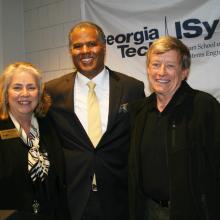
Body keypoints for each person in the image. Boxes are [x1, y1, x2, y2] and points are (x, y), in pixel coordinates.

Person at [46, 21, 145, 220]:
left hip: (119, 196)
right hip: (72, 198)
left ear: (104, 46)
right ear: (70, 51)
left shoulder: (131, 88)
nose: (85, 51)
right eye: (77, 46)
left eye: (91, 44)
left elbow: (139, 140)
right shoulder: (52, 91)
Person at [128, 36, 220, 220]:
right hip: (147, 210)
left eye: (170, 66)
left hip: (191, 213)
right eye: (155, 65)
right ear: (148, 69)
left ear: (184, 71)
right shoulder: (139, 111)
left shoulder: (204, 107)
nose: (161, 72)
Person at [0, 62, 70, 220]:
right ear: (6, 93)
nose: (25, 94)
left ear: (39, 93)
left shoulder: (49, 123)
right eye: (17, 87)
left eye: (31, 87)